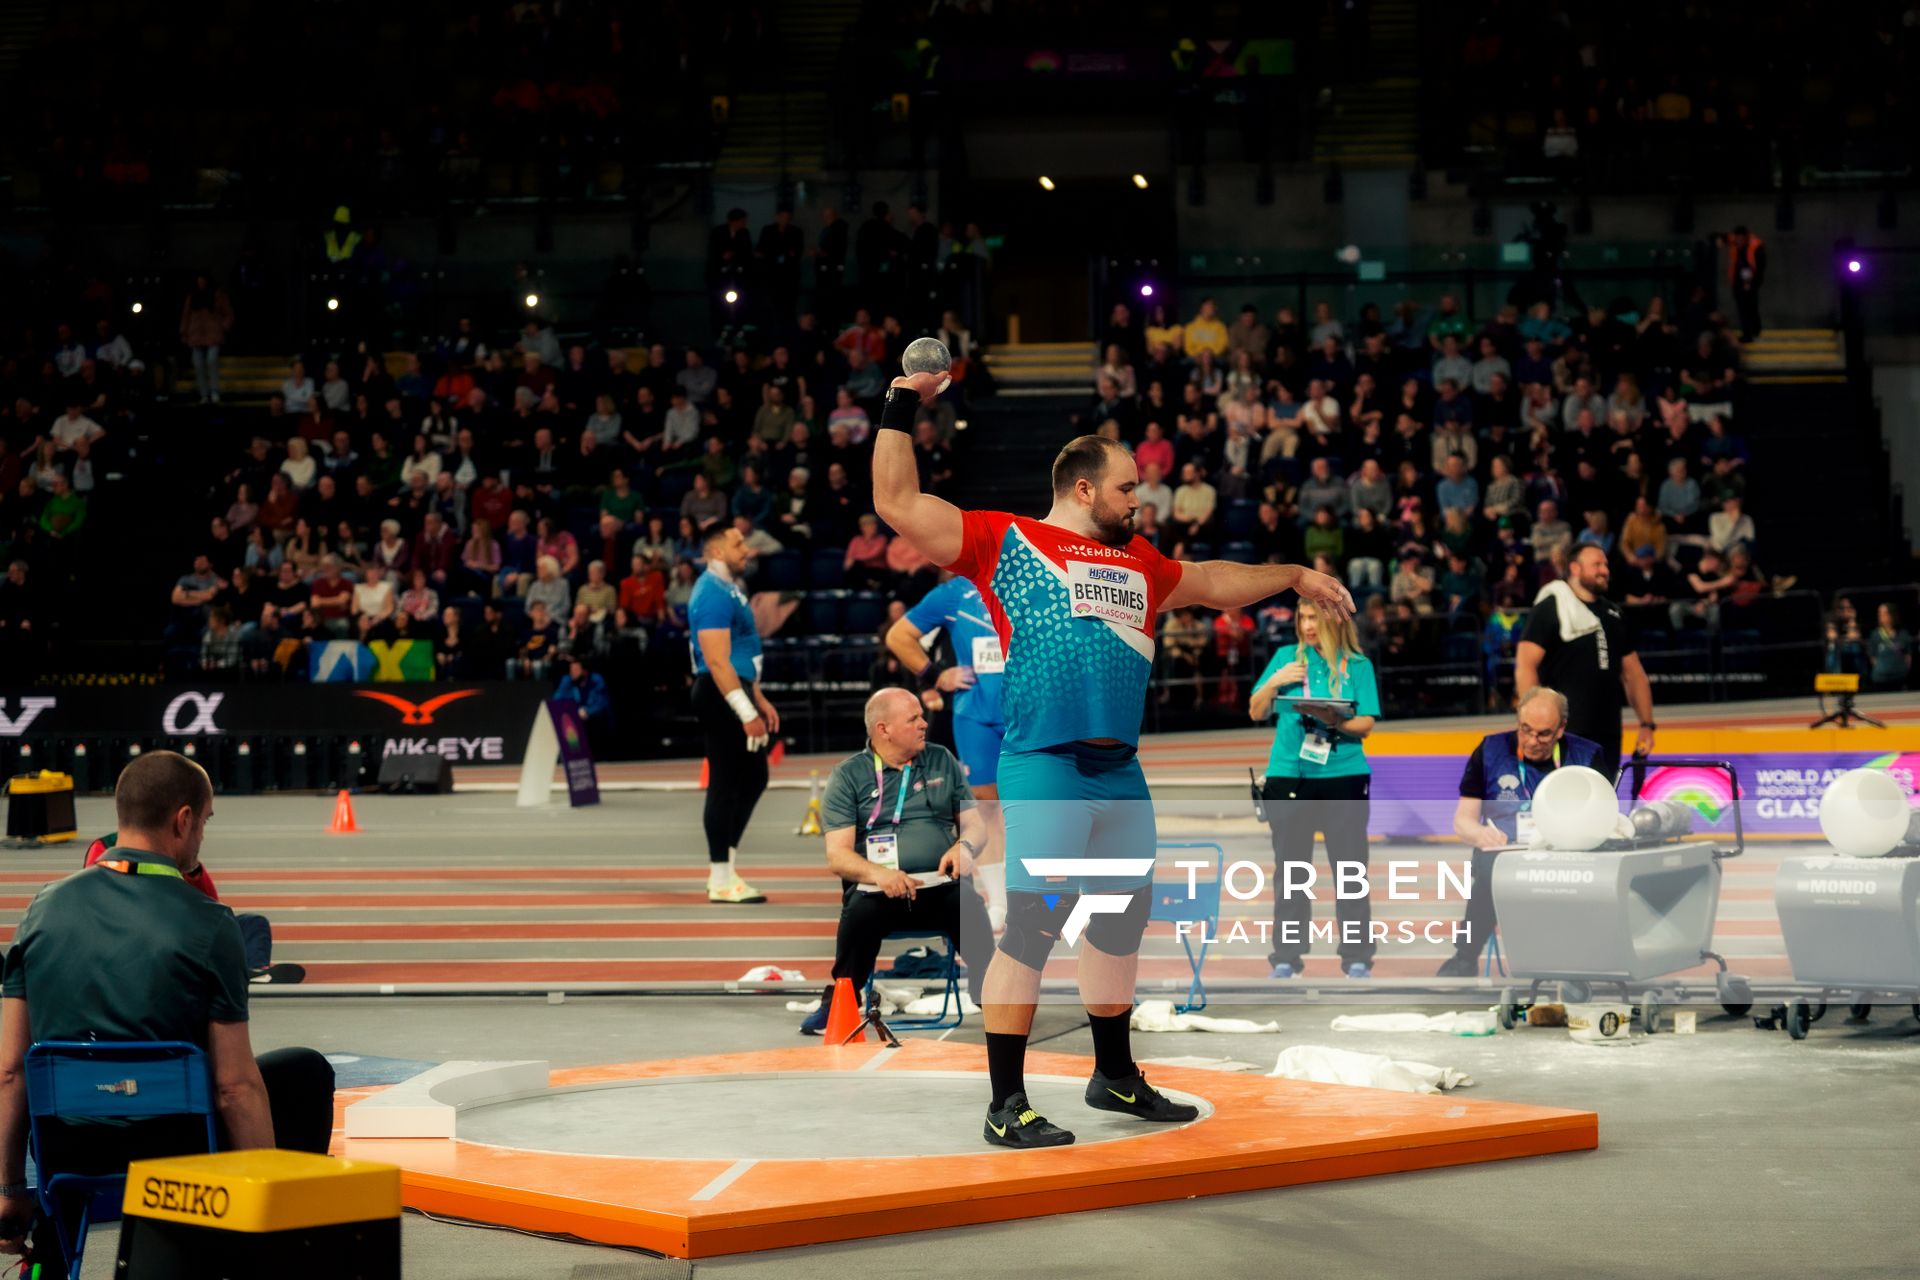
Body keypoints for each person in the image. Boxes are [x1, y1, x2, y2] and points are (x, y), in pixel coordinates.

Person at [872, 367, 1353, 1149]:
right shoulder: (1007, 540)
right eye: (1130, 487)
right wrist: (901, 400)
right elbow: (898, 503)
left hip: (1119, 772)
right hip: (1047, 765)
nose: (1142, 500)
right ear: (1086, 489)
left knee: (1121, 927)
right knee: (1030, 931)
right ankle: (1005, 1103)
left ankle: (1115, 1076)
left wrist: (1294, 574)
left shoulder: (1141, 563)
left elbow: (1213, 583)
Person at [0, 753, 335, 1269]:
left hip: (67, 1150)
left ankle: (53, 1237)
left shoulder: (40, 908)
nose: (202, 836)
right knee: (306, 1072)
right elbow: (234, 1087)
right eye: (204, 822)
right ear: (183, 820)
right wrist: (267, 1194)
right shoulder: (211, 923)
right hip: (176, 1154)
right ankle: (268, 1242)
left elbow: (9, 1071)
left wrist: (8, 1187)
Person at [801, 688, 996, 1035]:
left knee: (969, 904)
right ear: (883, 729)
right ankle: (840, 998)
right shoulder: (848, 775)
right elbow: (838, 855)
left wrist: (964, 847)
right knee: (858, 912)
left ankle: (994, 997)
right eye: (913, 719)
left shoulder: (941, 760)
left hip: (941, 888)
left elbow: (975, 824)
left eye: (922, 716)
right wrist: (881, 875)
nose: (924, 724)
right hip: (880, 892)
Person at [1248, 599, 1381, 979]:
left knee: (1351, 870)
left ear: (1334, 622)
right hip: (1290, 775)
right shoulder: (1286, 658)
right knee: (1291, 871)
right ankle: (1286, 957)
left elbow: (1367, 723)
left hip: (1345, 774)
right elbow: (1256, 710)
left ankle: (1357, 955)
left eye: (1314, 619)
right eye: (1302, 617)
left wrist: (1333, 719)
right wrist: (1274, 682)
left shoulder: (1356, 665)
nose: (1307, 626)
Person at [1436, 688, 1604, 976]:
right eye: (1525, 730)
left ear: (1561, 729)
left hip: (1567, 852)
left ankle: (1584, 956)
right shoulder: (1490, 751)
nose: (1532, 741)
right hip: (1506, 852)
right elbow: (1463, 820)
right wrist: (1479, 835)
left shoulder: (1587, 757)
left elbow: (1603, 822)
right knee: (1489, 867)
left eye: (1543, 734)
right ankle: (1465, 957)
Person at [886, 572, 1009, 929]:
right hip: (977, 715)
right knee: (984, 807)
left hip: (1032, 712)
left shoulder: (1029, 581)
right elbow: (898, 636)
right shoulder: (953, 593)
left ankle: (1043, 895)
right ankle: (999, 902)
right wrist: (936, 675)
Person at [688, 524, 778, 904]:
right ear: (717, 551)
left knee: (754, 776)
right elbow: (716, 660)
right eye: (738, 543)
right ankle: (720, 876)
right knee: (726, 782)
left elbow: (739, 654)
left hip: (735, 688)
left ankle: (727, 868)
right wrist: (744, 710)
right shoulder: (711, 592)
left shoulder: (730, 588)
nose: (747, 549)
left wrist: (757, 695)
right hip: (720, 692)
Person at [1515, 544, 1655, 782]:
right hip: (1563, 732)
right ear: (1575, 568)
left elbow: (1633, 674)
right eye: (1597, 565)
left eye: (1606, 565)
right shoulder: (1550, 609)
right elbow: (1526, 665)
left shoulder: (1614, 613)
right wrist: (1533, 723)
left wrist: (1647, 724)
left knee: (1603, 802)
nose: (1604, 570)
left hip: (1607, 732)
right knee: (1563, 803)